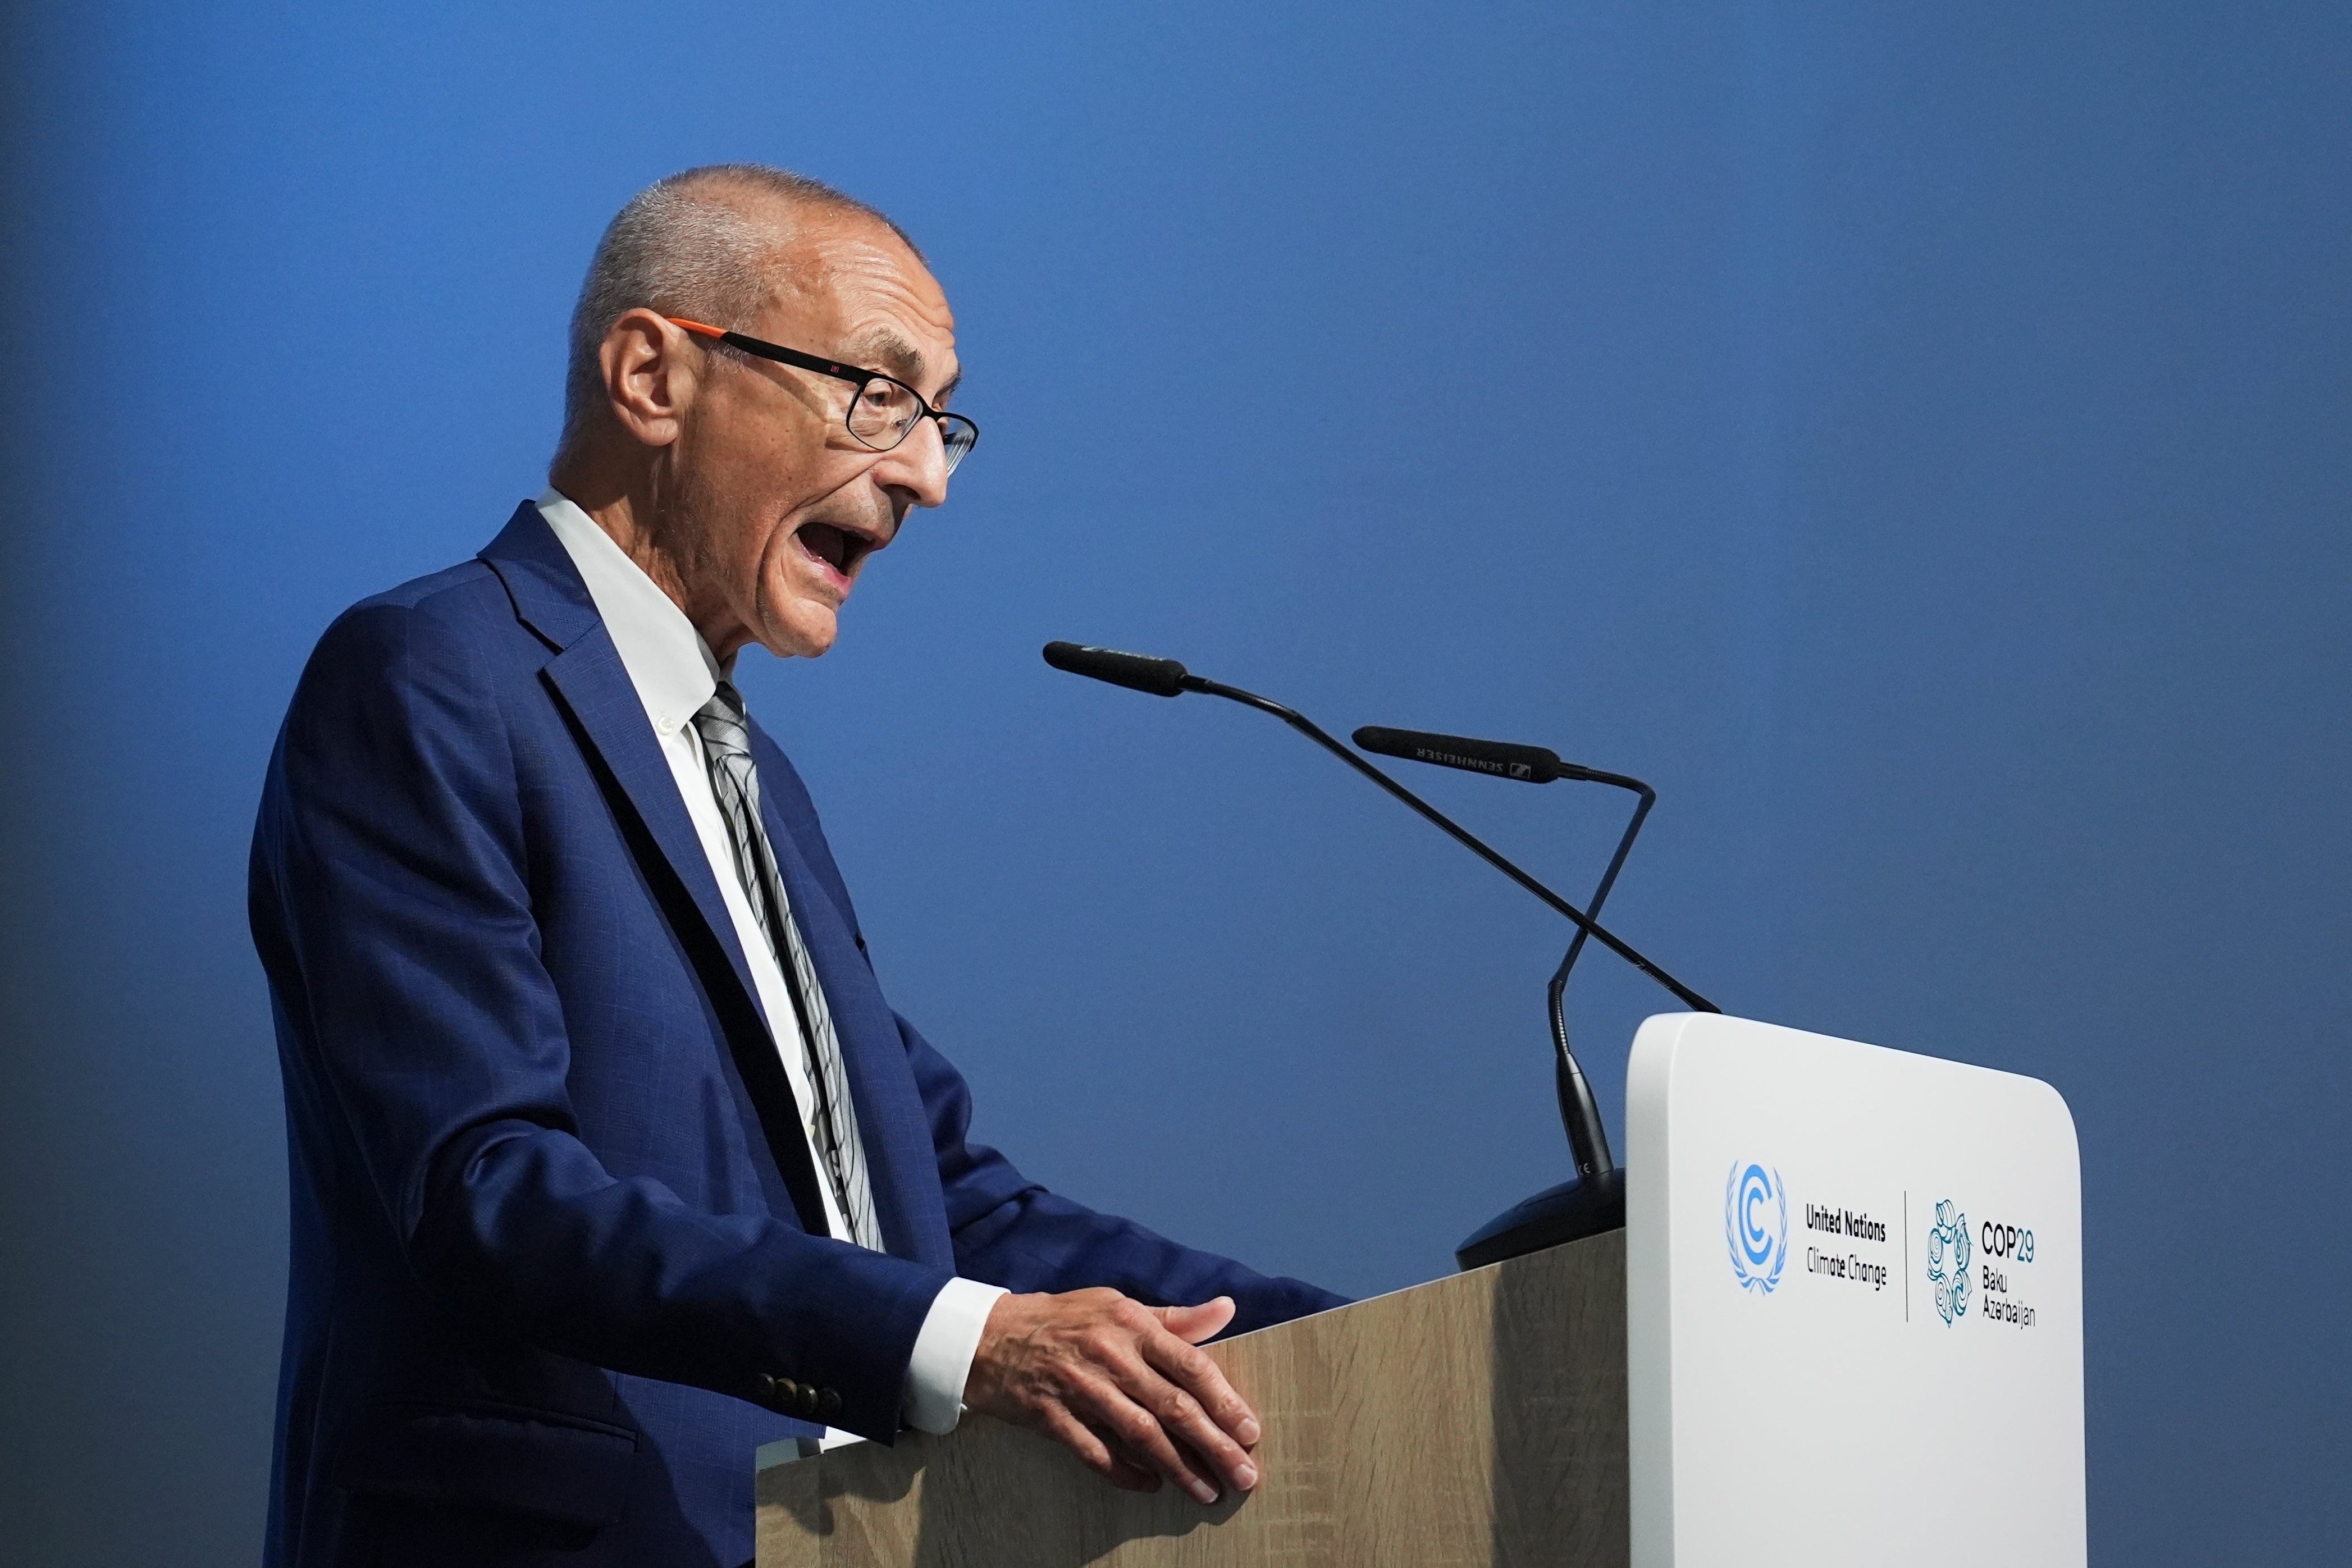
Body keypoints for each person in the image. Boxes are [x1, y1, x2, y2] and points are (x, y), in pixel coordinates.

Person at [249, 164, 1346, 1568]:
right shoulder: (427, 675)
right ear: (655, 375)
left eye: (942, 418)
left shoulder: (754, 781)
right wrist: (966, 1337)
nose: (926, 476)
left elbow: (939, 1197)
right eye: (877, 394)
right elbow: (489, 1183)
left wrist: (1352, 1328)